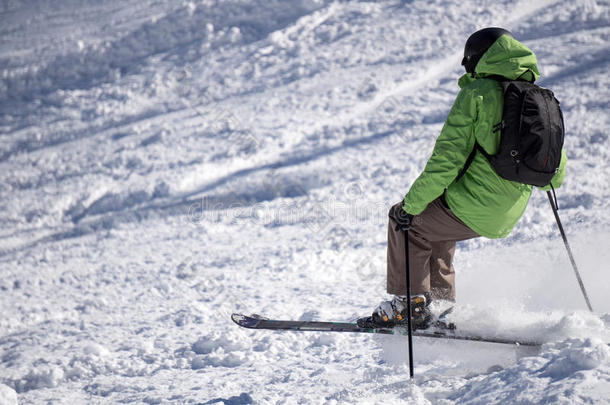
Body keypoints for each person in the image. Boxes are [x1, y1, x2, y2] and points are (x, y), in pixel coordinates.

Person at [368, 27, 567, 327]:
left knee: (404, 220)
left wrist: (409, 206)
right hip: (509, 213)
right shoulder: (540, 99)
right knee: (437, 220)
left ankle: (410, 305)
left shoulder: (476, 94)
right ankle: (441, 304)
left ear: (477, 59)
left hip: (475, 205)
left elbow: (446, 161)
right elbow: (557, 175)